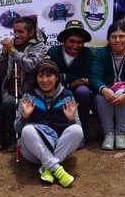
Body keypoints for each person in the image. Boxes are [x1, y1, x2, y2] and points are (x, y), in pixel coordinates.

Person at [15, 59, 81, 187]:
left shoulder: (67, 96)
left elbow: (78, 132)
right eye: (41, 76)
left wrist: (71, 119)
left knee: (77, 130)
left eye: (49, 75)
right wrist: (25, 116)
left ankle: (48, 167)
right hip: (34, 152)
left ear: (57, 77)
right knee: (27, 130)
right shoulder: (28, 97)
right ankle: (56, 168)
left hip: (59, 149)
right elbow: (17, 129)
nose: (45, 80)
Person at [0, 15, 48, 151]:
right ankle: (14, 139)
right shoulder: (10, 48)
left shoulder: (39, 47)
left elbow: (30, 65)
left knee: (19, 104)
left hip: (31, 92)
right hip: (12, 92)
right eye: (15, 32)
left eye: (21, 32)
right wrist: (4, 54)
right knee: (8, 102)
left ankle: (27, 139)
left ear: (30, 33)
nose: (16, 35)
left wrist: (13, 51)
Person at [89, 21, 125, 150]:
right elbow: (95, 78)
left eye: (122, 36)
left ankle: (121, 134)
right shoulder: (100, 54)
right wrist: (104, 90)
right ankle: (108, 134)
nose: (117, 40)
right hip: (105, 97)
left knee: (123, 95)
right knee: (102, 96)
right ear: (108, 39)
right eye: (113, 37)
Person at [48, 20, 94, 130]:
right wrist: (71, 83)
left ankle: (82, 130)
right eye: (71, 41)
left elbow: (88, 78)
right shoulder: (53, 52)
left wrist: (63, 77)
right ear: (64, 41)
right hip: (57, 90)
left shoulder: (87, 54)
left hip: (78, 91)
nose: (75, 46)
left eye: (79, 42)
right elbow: (50, 77)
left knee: (83, 91)